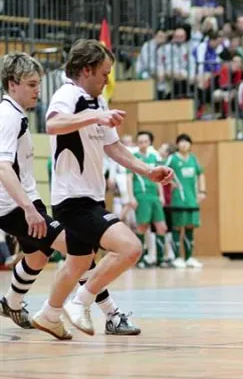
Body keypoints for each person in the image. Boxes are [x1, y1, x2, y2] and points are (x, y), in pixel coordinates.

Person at [33, 39, 174, 337]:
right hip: (73, 199)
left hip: (91, 196)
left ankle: (49, 314)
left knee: (78, 263)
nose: (107, 79)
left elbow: (114, 147)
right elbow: (53, 125)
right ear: (86, 70)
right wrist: (96, 116)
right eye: (104, 73)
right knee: (130, 248)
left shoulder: (98, 101)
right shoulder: (68, 94)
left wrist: (148, 171)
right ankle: (80, 302)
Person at [0, 52, 137, 339]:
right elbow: (2, 166)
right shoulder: (8, 115)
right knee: (78, 250)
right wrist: (28, 209)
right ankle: (110, 313)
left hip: (25, 200)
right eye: (31, 84)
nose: (38, 91)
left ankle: (12, 302)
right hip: (12, 205)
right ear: (12, 84)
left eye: (38, 84)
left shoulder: (16, 113)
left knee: (38, 256)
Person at [128, 131, 169, 268]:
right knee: (142, 226)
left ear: (149, 142)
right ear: (137, 143)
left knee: (162, 227)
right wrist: (131, 197)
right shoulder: (134, 157)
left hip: (154, 196)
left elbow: (158, 178)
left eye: (145, 141)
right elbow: (129, 178)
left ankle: (160, 259)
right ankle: (138, 260)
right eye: (140, 142)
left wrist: (161, 195)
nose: (143, 144)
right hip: (141, 195)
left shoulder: (153, 157)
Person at [165, 134, 205, 269]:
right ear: (177, 144)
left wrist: (202, 191)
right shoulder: (172, 158)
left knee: (190, 227)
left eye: (187, 142)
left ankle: (189, 258)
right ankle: (177, 258)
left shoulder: (193, 159)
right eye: (181, 142)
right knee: (177, 227)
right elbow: (163, 172)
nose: (184, 144)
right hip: (178, 199)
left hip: (192, 199)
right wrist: (170, 183)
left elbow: (201, 174)